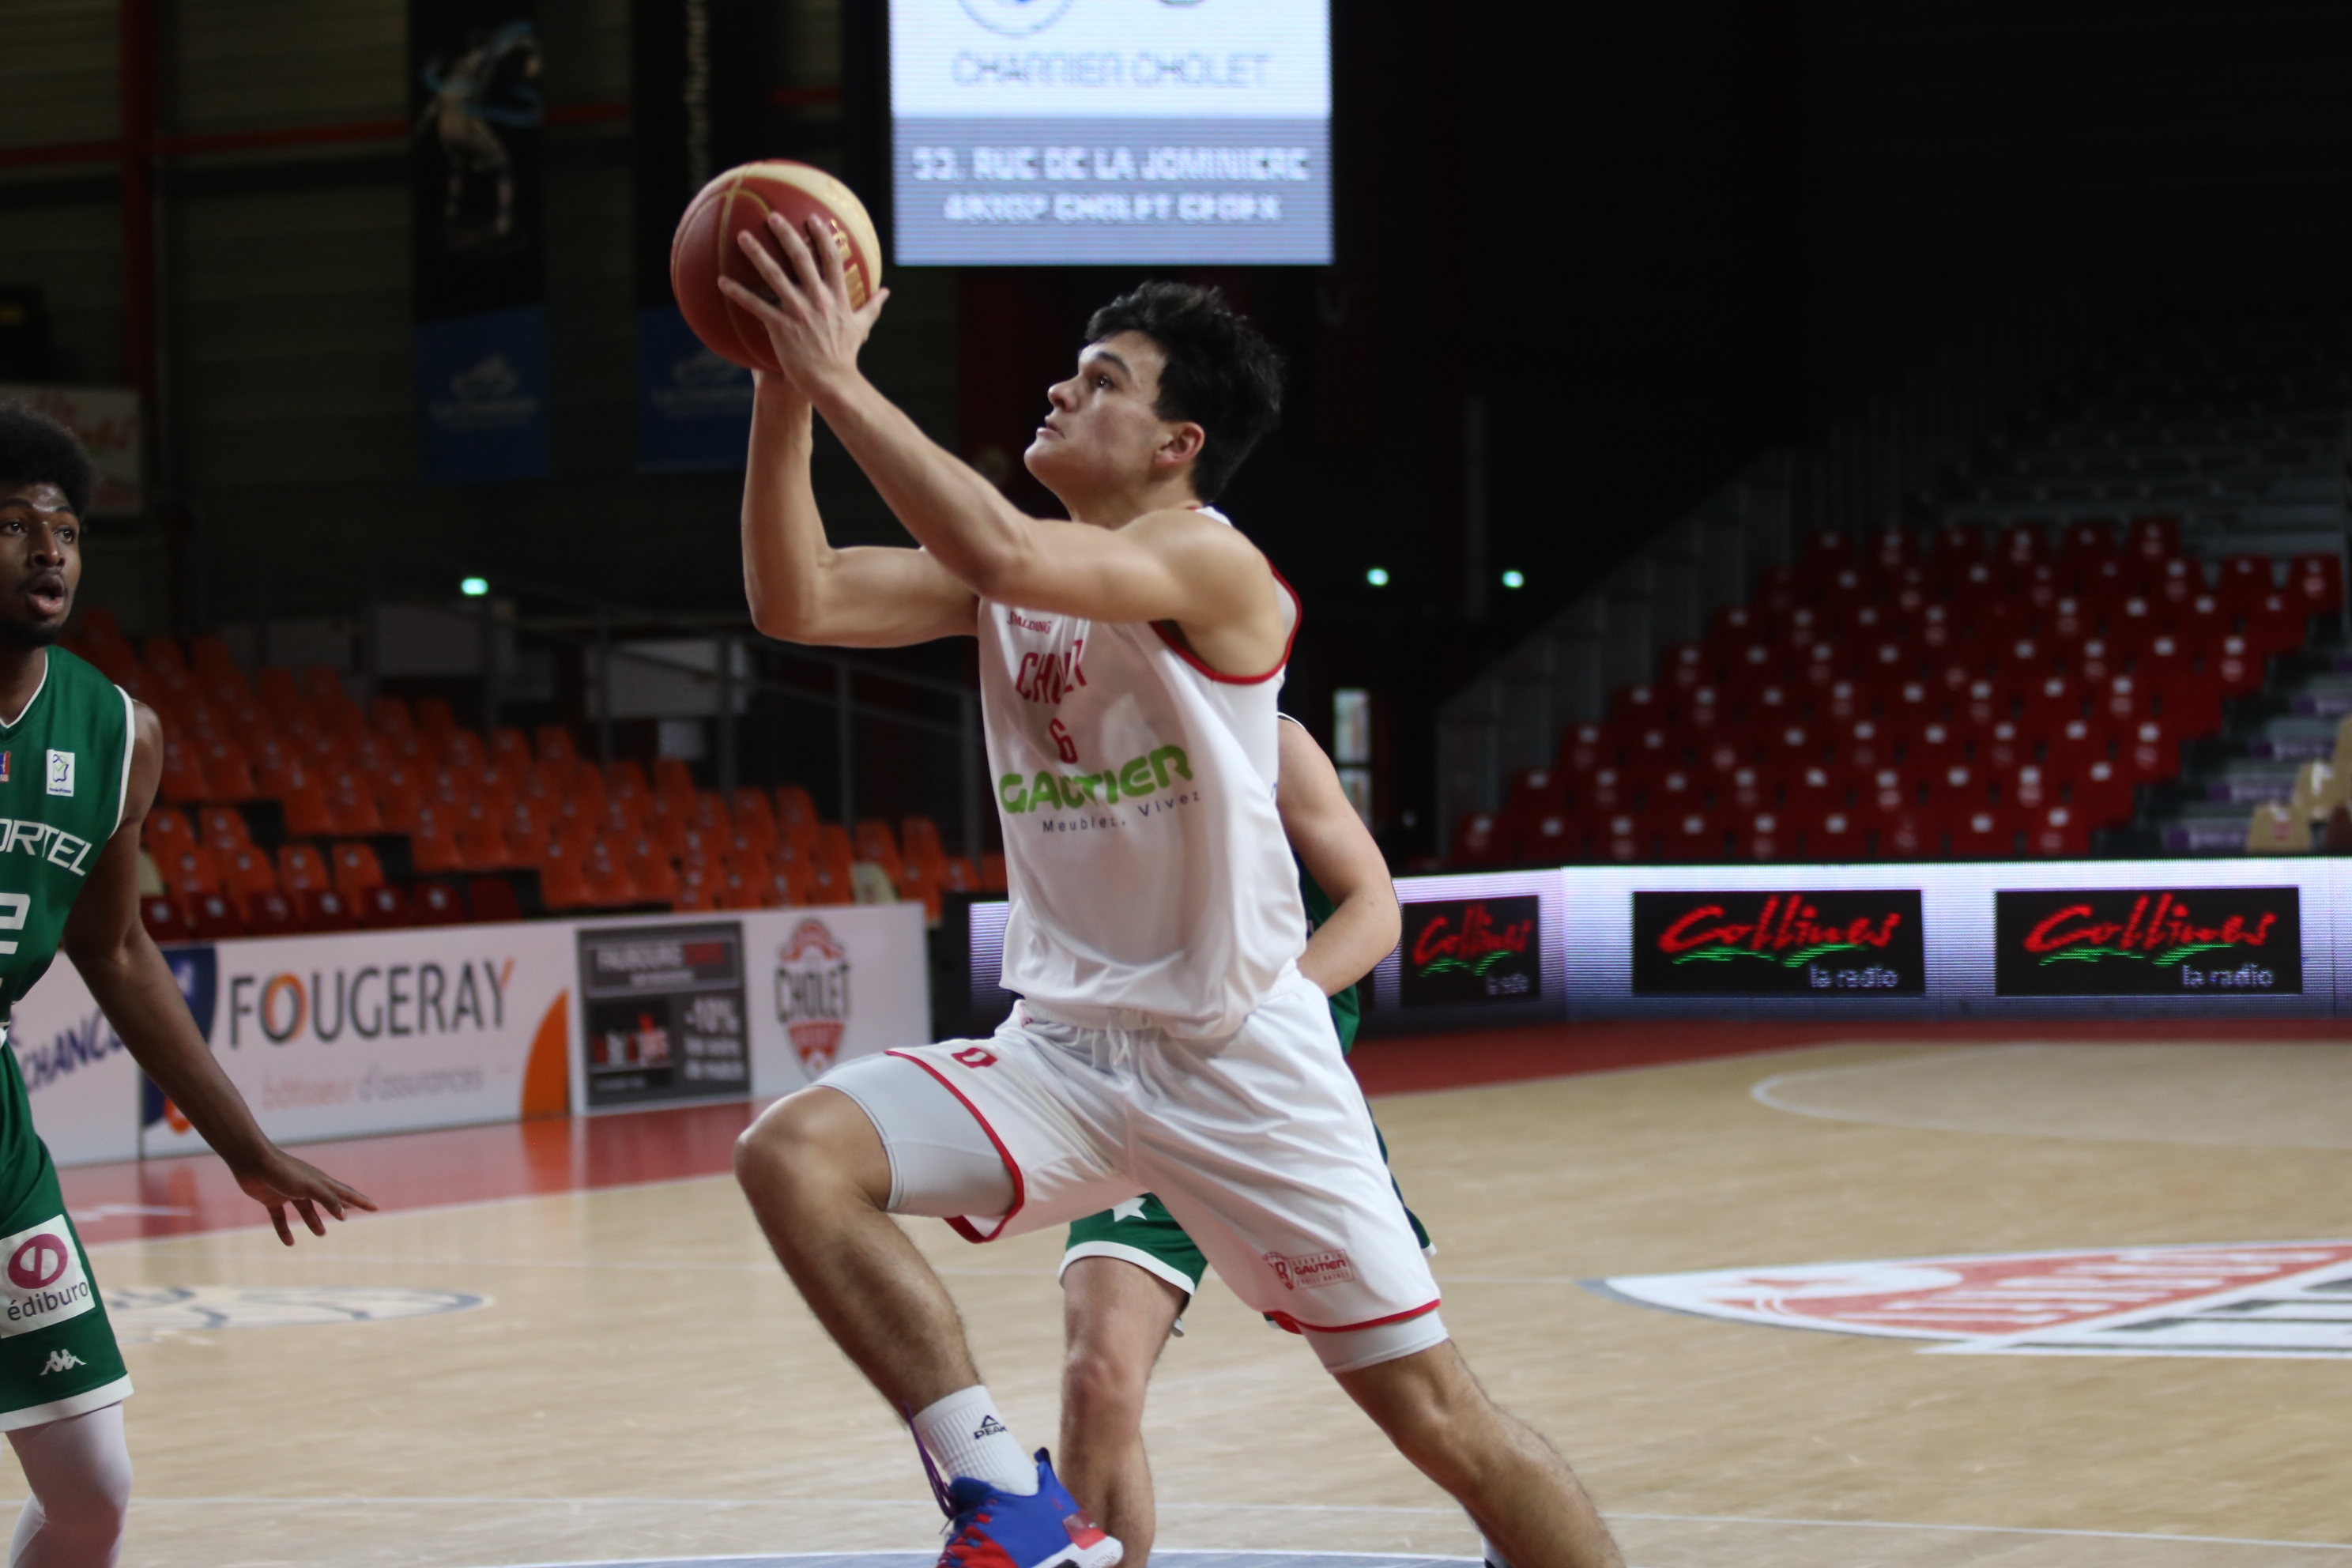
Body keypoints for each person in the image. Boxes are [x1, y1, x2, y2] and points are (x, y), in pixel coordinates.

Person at [722, 214, 1623, 1568]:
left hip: (1237, 1057)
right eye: (1067, 372)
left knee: (1443, 1420)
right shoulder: (1002, 583)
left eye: (1098, 380)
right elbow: (798, 596)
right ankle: (1002, 1495)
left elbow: (1011, 555)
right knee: (792, 1151)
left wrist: (843, 373)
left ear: (1174, 444)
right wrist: (783, 390)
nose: (1058, 391)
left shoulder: (1210, 560)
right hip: (1067, 1048)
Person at [0, 404, 375, 1568]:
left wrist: (244, 1145)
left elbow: (111, 951)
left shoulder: (116, 733)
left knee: (93, 1496)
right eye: (11, 526)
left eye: (62, 527)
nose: (47, 549)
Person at [1059, 713, 1458, 1568]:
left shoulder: (1270, 739)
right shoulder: (1073, 742)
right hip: (1139, 1097)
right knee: (1098, 1375)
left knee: (1424, 1403)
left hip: (1274, 1104)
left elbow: (1374, 906)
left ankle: (1528, 1539)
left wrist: (1268, 1015)